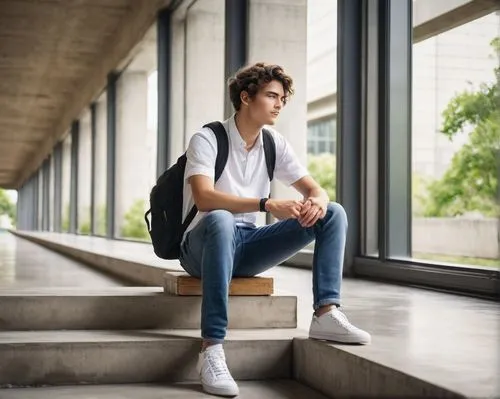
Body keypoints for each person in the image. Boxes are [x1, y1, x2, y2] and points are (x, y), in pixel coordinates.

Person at [179, 62, 371, 397]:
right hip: (202, 246)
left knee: (333, 213)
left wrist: (317, 201)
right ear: (245, 97)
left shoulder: (274, 143)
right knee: (222, 219)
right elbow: (204, 198)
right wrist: (267, 204)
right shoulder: (207, 138)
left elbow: (317, 190)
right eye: (271, 95)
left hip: (247, 246)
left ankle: (326, 313)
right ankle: (211, 349)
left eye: (282, 97)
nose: (279, 103)